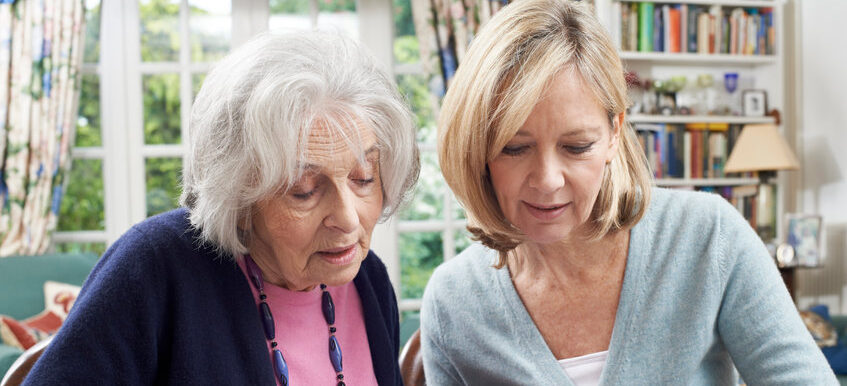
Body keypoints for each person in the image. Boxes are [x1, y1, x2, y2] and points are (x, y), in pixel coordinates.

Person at [422, 0, 837, 384]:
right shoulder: (454, 302)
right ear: (479, 149)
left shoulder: (708, 236)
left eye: (576, 146)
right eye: (514, 147)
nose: (547, 180)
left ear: (614, 134)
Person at [25, 31, 418, 385]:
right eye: (304, 191)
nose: (348, 218)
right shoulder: (154, 268)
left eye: (364, 178)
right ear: (240, 196)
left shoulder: (368, 280)